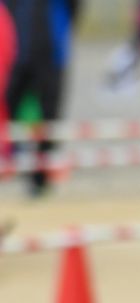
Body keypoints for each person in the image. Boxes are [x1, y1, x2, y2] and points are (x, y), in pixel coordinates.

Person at [2, 0, 81, 196]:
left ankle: (41, 179)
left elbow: (74, 10)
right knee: (7, 111)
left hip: (51, 55)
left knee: (49, 119)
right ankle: (13, 160)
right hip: (16, 55)